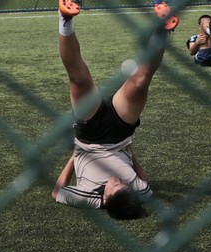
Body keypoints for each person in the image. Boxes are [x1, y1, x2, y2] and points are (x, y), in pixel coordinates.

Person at [50, 0, 174, 219]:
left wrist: (73, 158)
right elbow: (144, 183)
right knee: (141, 81)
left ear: (105, 200)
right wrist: (132, 154)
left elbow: (57, 192)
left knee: (79, 78)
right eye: (125, 185)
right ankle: (161, 27)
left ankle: (65, 18)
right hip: (120, 133)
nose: (118, 180)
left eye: (115, 186)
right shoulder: (136, 191)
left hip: (90, 136)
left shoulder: (89, 198)